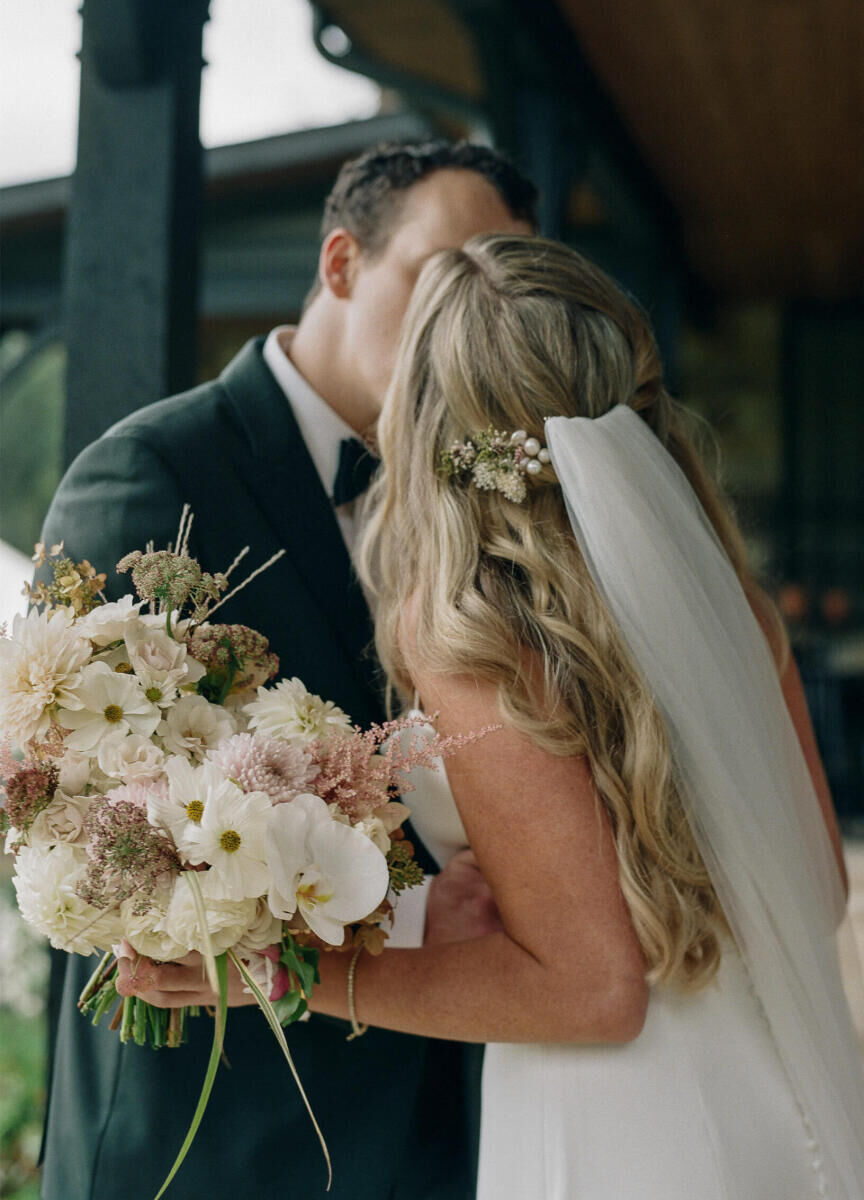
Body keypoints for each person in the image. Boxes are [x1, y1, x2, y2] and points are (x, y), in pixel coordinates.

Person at [124, 234, 864, 1197]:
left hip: (621, 1129)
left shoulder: (479, 635)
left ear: (428, 417)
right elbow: (818, 887)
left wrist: (287, 971)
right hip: (778, 1084)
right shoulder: (731, 597)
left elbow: (594, 994)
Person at [38, 142, 536, 1200]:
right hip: (211, 1132)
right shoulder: (152, 473)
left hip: (436, 1120)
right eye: (438, 281)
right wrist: (405, 916)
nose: (466, 331)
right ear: (344, 262)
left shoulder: (484, 491)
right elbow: (84, 824)